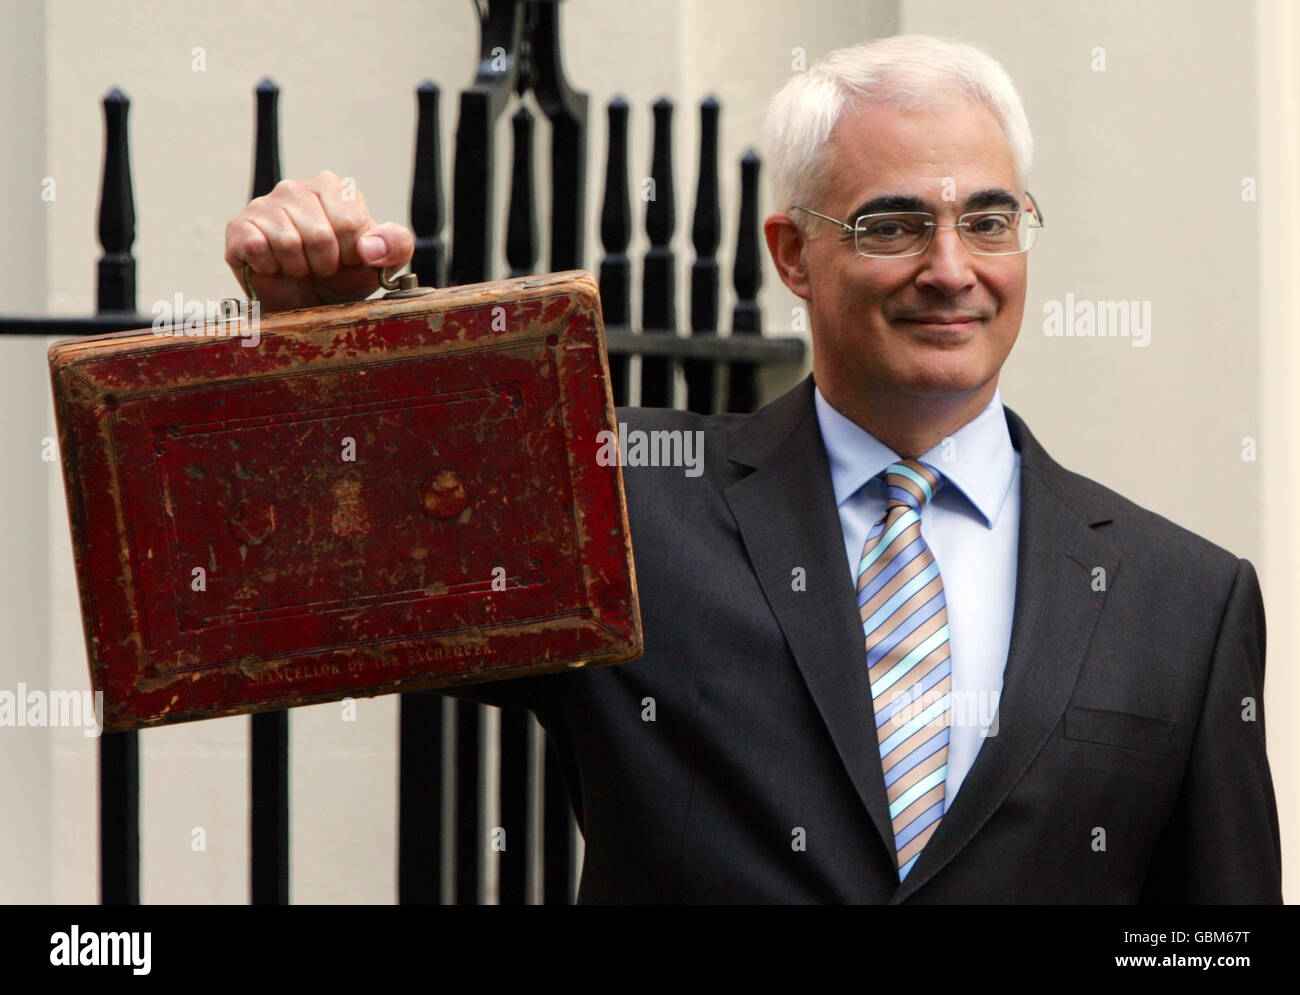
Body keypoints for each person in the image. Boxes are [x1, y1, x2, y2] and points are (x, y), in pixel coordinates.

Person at [223, 34, 1283, 903]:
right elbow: (326, 584)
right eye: (893, 223)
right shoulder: (622, 498)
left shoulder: (1182, 598)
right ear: (790, 254)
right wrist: (317, 350)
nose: (950, 268)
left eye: (987, 220)